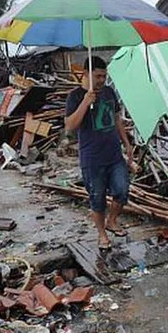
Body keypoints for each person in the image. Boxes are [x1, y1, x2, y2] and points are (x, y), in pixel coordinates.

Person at [64, 56, 134, 249]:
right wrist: (86, 103)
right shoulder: (76, 96)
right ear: (86, 74)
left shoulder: (109, 92)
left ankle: (112, 220)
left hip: (114, 154)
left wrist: (126, 143)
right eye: (98, 76)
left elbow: (117, 118)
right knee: (97, 198)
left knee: (122, 190)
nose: (102, 80)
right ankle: (102, 233)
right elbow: (69, 127)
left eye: (104, 76)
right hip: (92, 159)